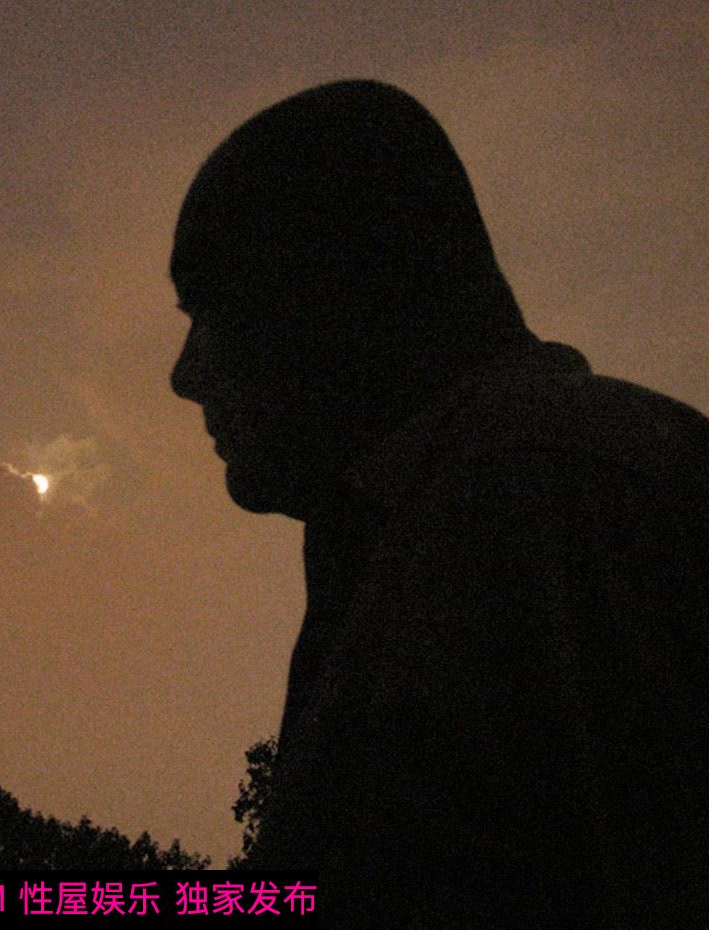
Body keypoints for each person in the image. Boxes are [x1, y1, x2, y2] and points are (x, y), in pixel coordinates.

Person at [169, 80, 709, 925]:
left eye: (210, 310)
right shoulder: (462, 510)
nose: (185, 375)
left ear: (329, 288)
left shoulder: (536, 501)